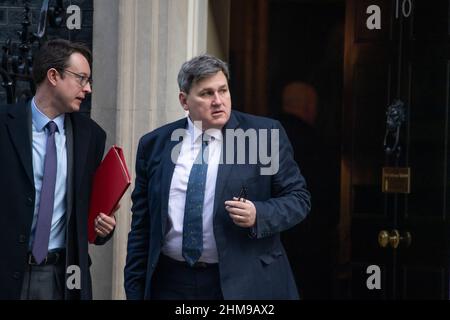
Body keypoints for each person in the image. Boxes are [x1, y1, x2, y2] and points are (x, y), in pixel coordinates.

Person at [124, 54, 311, 300]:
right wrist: (135, 289)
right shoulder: (155, 144)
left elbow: (299, 199)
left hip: (241, 282)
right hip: (171, 283)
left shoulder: (262, 136)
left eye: (223, 90)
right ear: (184, 100)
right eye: (206, 93)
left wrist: (259, 214)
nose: (218, 101)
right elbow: (142, 225)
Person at [0, 39, 116, 300]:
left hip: (63, 277)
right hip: (7, 272)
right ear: (53, 76)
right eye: (81, 78)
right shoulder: (4, 125)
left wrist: (103, 228)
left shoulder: (92, 136)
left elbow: (90, 211)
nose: (88, 89)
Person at [278, 81, 338, 299]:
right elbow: (327, 197)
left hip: (269, 239)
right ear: (311, 107)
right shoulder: (317, 145)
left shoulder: (261, 137)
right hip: (309, 241)